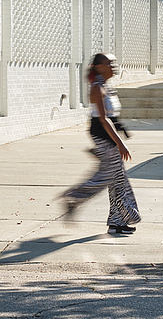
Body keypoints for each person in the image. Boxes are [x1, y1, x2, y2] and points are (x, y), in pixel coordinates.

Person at [60, 52, 141, 236]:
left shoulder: (105, 85)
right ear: (98, 67)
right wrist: (120, 143)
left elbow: (112, 116)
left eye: (113, 62)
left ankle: (116, 223)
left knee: (116, 181)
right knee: (107, 178)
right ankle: (73, 197)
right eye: (108, 63)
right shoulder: (97, 87)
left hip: (107, 136)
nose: (113, 65)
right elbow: (103, 120)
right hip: (104, 137)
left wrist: (123, 130)